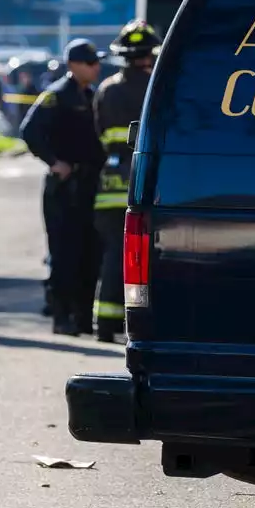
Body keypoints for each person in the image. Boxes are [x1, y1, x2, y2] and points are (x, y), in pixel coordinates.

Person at [20, 39, 106, 335]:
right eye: (91, 63)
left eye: (97, 62)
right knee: (64, 254)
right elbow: (30, 131)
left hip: (89, 186)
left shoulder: (92, 96)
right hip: (64, 189)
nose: (97, 68)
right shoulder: (56, 96)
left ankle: (83, 317)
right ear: (74, 65)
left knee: (89, 253)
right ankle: (62, 316)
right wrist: (54, 161)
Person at [92, 19, 162, 343]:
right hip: (143, 183)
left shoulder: (107, 90)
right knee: (144, 261)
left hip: (109, 187)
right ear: (150, 54)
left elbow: (100, 136)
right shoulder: (157, 87)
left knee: (111, 256)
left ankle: (104, 324)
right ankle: (137, 325)